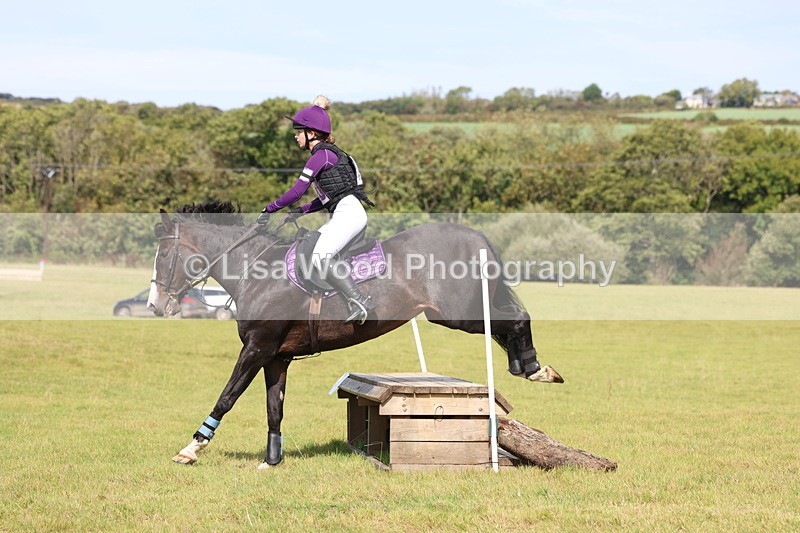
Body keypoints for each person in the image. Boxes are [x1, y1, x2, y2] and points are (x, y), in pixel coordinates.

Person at [257, 95, 376, 325]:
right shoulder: (328, 155)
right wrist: (299, 211)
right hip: (344, 211)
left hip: (348, 213)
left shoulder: (320, 156)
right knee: (311, 247)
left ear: (311, 133)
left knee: (321, 256)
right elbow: (324, 200)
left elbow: (296, 191)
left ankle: (359, 301)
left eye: (298, 131)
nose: (295, 136)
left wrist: (270, 208)